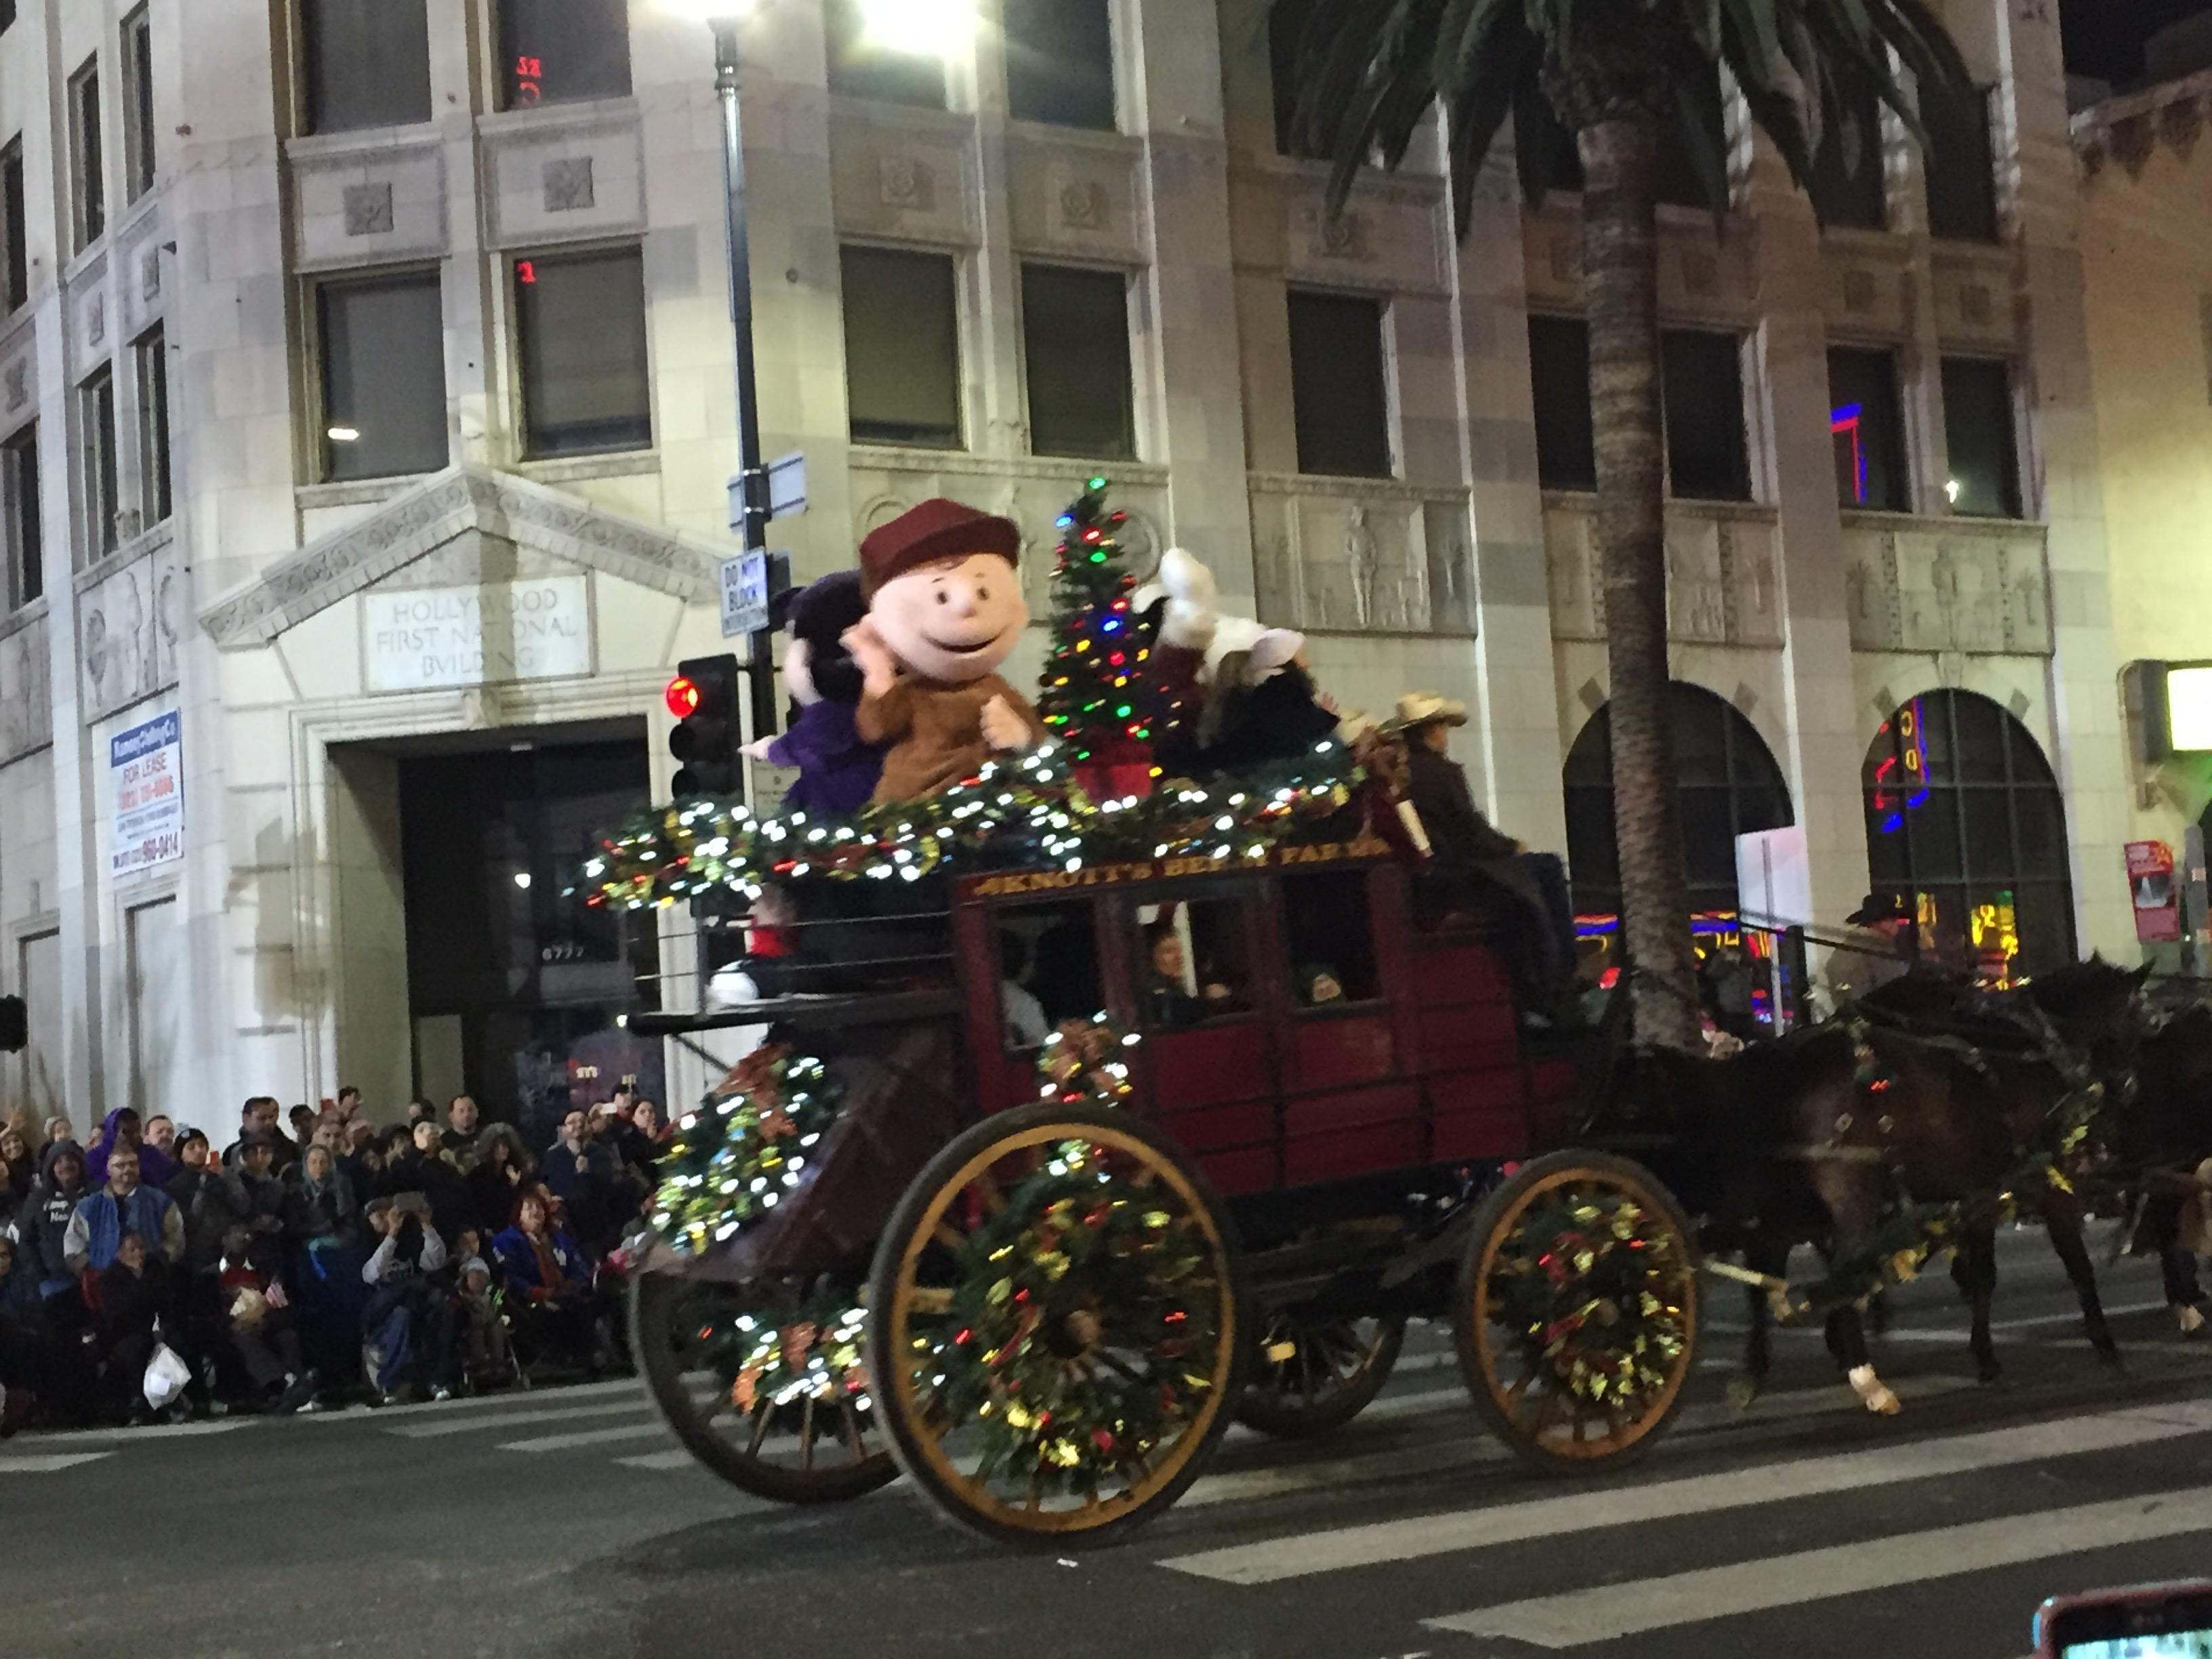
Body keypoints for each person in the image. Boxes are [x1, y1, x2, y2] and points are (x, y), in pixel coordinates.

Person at [1389, 692, 1568, 1017]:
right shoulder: (1441, 773)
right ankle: (1556, 977)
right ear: (1432, 730)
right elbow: (1469, 829)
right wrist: (1510, 846)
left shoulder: (1408, 773)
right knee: (1547, 868)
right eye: (1443, 728)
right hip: (1458, 872)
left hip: (1443, 868)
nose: (1446, 735)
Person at [209, 1225, 318, 1414]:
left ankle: (292, 1388)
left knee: (287, 1335)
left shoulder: (263, 1270)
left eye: (245, 1233)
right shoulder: (212, 1275)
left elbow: (277, 1301)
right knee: (244, 1337)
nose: (243, 1237)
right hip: (233, 1326)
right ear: (224, 1240)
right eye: (236, 1233)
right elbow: (211, 1310)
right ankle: (286, 1382)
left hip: (264, 1320)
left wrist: (263, 1317)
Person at [491, 1191, 600, 1374]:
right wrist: (541, 1292)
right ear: (519, 1215)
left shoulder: (558, 1237)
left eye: (539, 1207)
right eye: (529, 1208)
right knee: (567, 1311)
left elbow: (577, 1263)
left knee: (591, 1302)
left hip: (566, 1292)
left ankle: (591, 1355)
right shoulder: (505, 1241)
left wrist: (574, 1282)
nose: (535, 1211)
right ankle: (578, 1356)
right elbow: (510, 1277)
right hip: (532, 1299)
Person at [360, 1197, 454, 1404]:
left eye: (391, 1214)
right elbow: (372, 1274)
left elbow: (434, 1262)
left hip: (412, 1305)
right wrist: (392, 1234)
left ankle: (437, 1379)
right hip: (381, 1314)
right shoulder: (365, 1244)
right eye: (380, 1216)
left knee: (438, 1303)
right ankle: (390, 1384)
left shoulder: (409, 1242)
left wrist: (426, 1224)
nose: (387, 1219)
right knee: (401, 1313)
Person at [64, 1147, 184, 1275]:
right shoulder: (88, 1206)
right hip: (102, 1283)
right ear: (108, 1169)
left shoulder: (161, 1202)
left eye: (133, 1164)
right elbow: (73, 1243)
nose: (128, 1169)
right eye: (121, 1165)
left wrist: (159, 1261)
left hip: (150, 1282)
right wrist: (90, 1270)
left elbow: (176, 1238)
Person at [96, 1232, 176, 1425]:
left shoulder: (154, 1270)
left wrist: (164, 1326)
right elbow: (118, 1312)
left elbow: (167, 1302)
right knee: (135, 1349)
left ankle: (174, 1400)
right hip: (126, 1333)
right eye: (132, 1249)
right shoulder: (110, 1278)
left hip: (157, 1328)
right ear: (120, 1253)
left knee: (176, 1342)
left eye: (142, 1248)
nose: (139, 1253)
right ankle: (139, 1403)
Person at [540, 1109, 621, 1254]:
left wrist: (588, 1171)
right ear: (563, 1130)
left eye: (582, 1121)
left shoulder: (600, 1154)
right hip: (565, 1227)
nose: (578, 1125)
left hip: (595, 1227)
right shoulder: (553, 1157)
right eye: (571, 1122)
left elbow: (608, 1185)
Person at [1827, 892, 1916, 1008]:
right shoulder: (1874, 951)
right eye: (1894, 920)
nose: (1898, 926)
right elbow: (1896, 991)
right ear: (1879, 923)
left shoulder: (1851, 946)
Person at [394, 1120, 474, 1244]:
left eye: (436, 1135)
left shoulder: (445, 1160)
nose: (435, 1139)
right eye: (430, 1135)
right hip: (430, 1221)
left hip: (455, 1218)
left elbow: (460, 1186)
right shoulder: (412, 1163)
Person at [85, 1107, 176, 1189]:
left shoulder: (152, 1155)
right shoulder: (93, 1159)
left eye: (137, 1131)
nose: (135, 1136)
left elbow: (170, 1183)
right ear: (113, 1132)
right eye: (127, 1132)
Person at [442, 1094, 483, 1166]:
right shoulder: (443, 1143)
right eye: (461, 1111)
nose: (466, 1115)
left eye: (470, 1110)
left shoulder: (487, 1137)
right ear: (451, 1116)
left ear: (477, 1113)